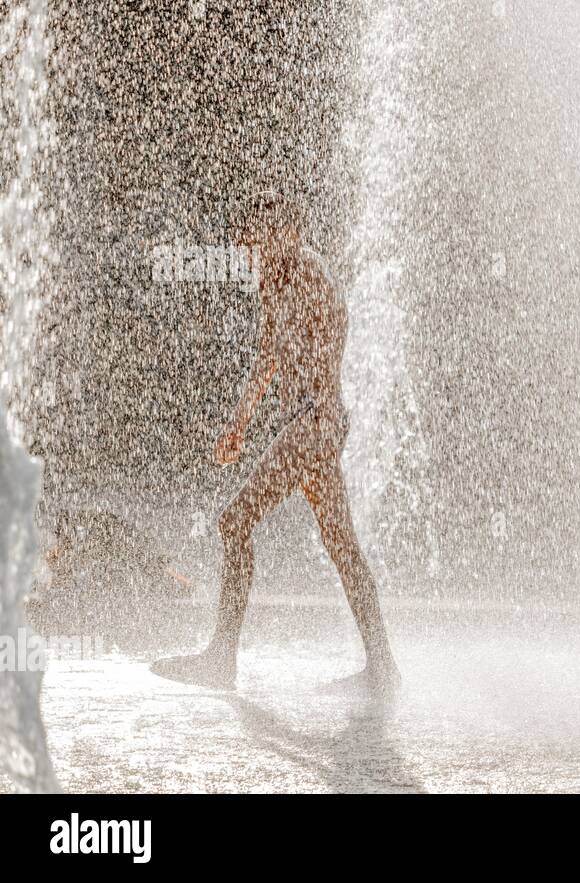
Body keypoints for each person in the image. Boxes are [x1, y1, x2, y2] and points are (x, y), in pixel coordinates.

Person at [151, 192, 399, 694]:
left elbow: (321, 346)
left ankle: (221, 660)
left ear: (289, 232)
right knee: (342, 545)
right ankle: (383, 668)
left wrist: (309, 420)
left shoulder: (309, 275)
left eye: (261, 239)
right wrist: (239, 425)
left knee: (234, 520)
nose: (251, 252)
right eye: (250, 244)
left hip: (312, 425)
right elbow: (268, 354)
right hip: (310, 426)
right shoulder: (276, 278)